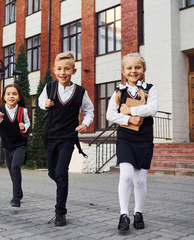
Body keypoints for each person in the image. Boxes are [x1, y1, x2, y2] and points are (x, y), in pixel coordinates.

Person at [38, 51, 94, 226]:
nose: (63, 72)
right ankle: (62, 186)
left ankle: (60, 212)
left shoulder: (80, 91)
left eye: (67, 69)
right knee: (52, 173)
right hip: (50, 136)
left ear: (74, 71)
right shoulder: (49, 88)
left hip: (68, 138)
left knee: (62, 174)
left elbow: (90, 110)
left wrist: (85, 124)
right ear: (55, 70)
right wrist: (44, 104)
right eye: (60, 69)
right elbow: (40, 102)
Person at [106, 53, 159, 231]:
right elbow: (110, 114)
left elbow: (153, 109)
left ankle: (138, 212)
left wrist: (131, 109)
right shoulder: (118, 91)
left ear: (143, 69)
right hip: (125, 138)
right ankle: (123, 215)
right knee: (126, 175)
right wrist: (129, 119)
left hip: (144, 138)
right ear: (123, 71)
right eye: (129, 68)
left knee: (140, 180)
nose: (133, 71)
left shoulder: (150, 89)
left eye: (137, 67)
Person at [0, 83, 30, 208]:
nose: (11, 96)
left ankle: (16, 197)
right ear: (4, 96)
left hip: (20, 144)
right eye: (8, 94)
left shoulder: (23, 111)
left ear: (18, 97)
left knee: (15, 167)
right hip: (6, 145)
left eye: (14, 94)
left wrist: (24, 127)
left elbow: (28, 125)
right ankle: (19, 191)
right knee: (11, 170)